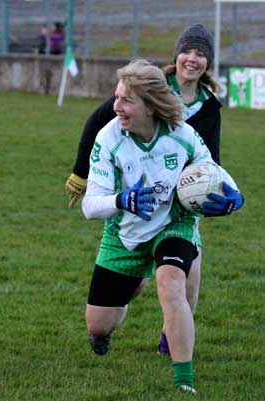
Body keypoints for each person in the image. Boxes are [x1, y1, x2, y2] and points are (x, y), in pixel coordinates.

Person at [82, 59, 244, 393]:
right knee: (98, 327)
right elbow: (89, 205)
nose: (116, 107)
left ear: (151, 106)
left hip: (174, 223)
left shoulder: (182, 134)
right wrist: (121, 201)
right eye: (116, 97)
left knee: (170, 283)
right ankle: (136, 281)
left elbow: (209, 169)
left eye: (126, 100)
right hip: (124, 234)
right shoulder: (109, 137)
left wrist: (234, 197)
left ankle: (184, 380)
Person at [66, 23, 226, 355]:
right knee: (99, 321)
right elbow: (98, 124)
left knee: (187, 273)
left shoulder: (209, 106)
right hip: (135, 205)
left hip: (179, 206)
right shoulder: (145, 85)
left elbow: (210, 158)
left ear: (209, 63)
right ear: (176, 56)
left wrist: (215, 191)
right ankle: (134, 279)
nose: (192, 59)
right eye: (187, 51)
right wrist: (81, 174)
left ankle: (173, 341)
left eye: (201, 54)